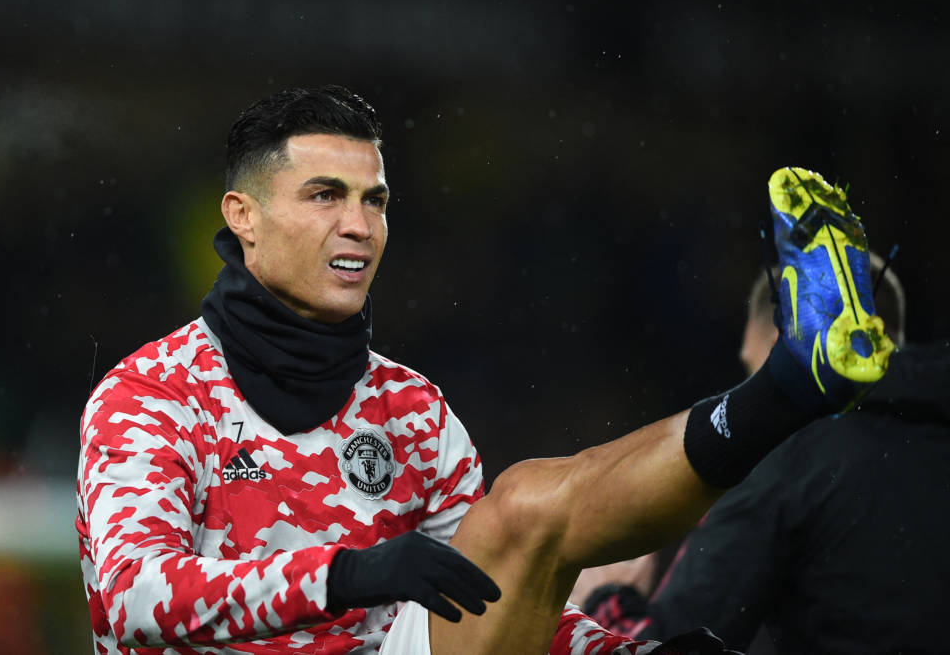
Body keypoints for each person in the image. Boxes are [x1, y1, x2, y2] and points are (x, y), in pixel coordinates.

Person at [76, 85, 894, 655]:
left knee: (527, 506)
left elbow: (498, 605)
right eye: (325, 195)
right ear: (243, 217)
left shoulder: (410, 407)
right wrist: (348, 573)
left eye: (374, 199)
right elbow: (133, 595)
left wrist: (629, 652)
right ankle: (784, 387)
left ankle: (794, 384)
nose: (359, 224)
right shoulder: (150, 394)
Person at [583, 255, 950, 654]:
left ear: (785, 346)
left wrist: (605, 602)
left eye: (754, 375)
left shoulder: (789, 454)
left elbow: (674, 646)